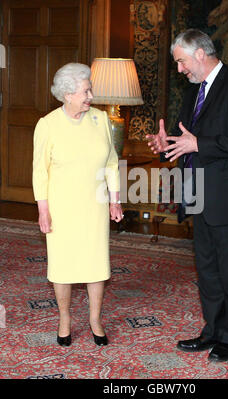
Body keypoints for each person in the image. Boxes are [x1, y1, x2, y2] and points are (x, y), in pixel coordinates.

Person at [147, 29, 228, 362]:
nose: (180, 69)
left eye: (181, 61)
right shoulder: (195, 92)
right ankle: (212, 330)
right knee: (208, 270)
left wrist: (199, 144)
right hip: (198, 192)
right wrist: (165, 143)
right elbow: (186, 137)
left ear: (200, 54)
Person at [32, 63, 123, 347]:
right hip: (61, 207)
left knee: (96, 263)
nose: (91, 96)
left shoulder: (100, 120)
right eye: (85, 91)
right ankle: (64, 318)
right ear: (68, 93)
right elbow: (39, 171)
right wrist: (43, 209)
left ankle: (95, 319)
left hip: (95, 204)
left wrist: (115, 199)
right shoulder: (47, 124)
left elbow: (110, 162)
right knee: (63, 264)